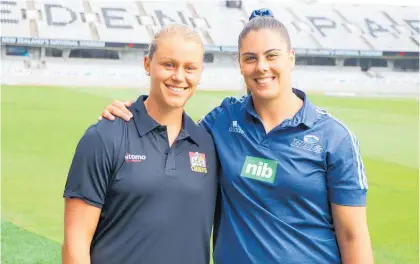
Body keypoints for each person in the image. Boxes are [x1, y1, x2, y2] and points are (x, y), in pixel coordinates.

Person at [98, 9, 374, 264]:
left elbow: (353, 236)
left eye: (272, 55)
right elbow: (171, 135)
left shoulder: (334, 138)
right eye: (250, 58)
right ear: (240, 65)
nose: (261, 67)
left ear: (291, 58)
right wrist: (130, 114)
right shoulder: (223, 119)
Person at [62, 24, 219, 264]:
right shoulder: (104, 136)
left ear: (200, 73)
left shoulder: (207, 143)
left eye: (190, 68)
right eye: (169, 64)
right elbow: (75, 243)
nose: (179, 76)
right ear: (147, 64)